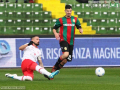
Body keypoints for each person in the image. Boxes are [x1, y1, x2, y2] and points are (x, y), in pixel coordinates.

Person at [49, 5, 83, 80]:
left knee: (65, 60)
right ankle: (54, 67)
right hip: (63, 39)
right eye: (67, 11)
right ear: (65, 11)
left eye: (70, 11)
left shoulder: (75, 19)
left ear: (71, 11)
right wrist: (55, 33)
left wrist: (80, 29)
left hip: (71, 41)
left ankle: (53, 73)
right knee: (66, 54)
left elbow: (78, 26)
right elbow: (54, 28)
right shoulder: (61, 20)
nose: (69, 12)